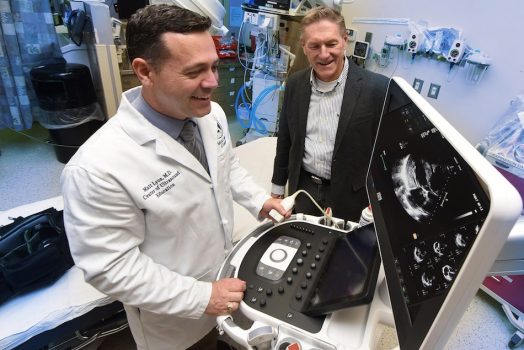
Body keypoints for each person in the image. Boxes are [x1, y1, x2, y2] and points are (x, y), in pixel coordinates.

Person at [61, 5, 288, 350]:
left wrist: (259, 201)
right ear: (144, 71)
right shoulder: (96, 168)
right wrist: (202, 297)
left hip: (227, 278)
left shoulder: (208, 113)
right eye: (195, 71)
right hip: (174, 322)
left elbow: (227, 167)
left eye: (214, 66)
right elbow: (111, 268)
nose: (212, 83)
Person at [271, 6, 389, 223]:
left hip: (351, 194)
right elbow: (285, 139)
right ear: (304, 47)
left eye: (331, 43)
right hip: (303, 188)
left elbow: (386, 150)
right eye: (314, 46)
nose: (324, 54)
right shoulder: (295, 83)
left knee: (344, 252)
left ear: (345, 40)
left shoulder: (378, 89)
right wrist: (277, 188)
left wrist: (381, 199)